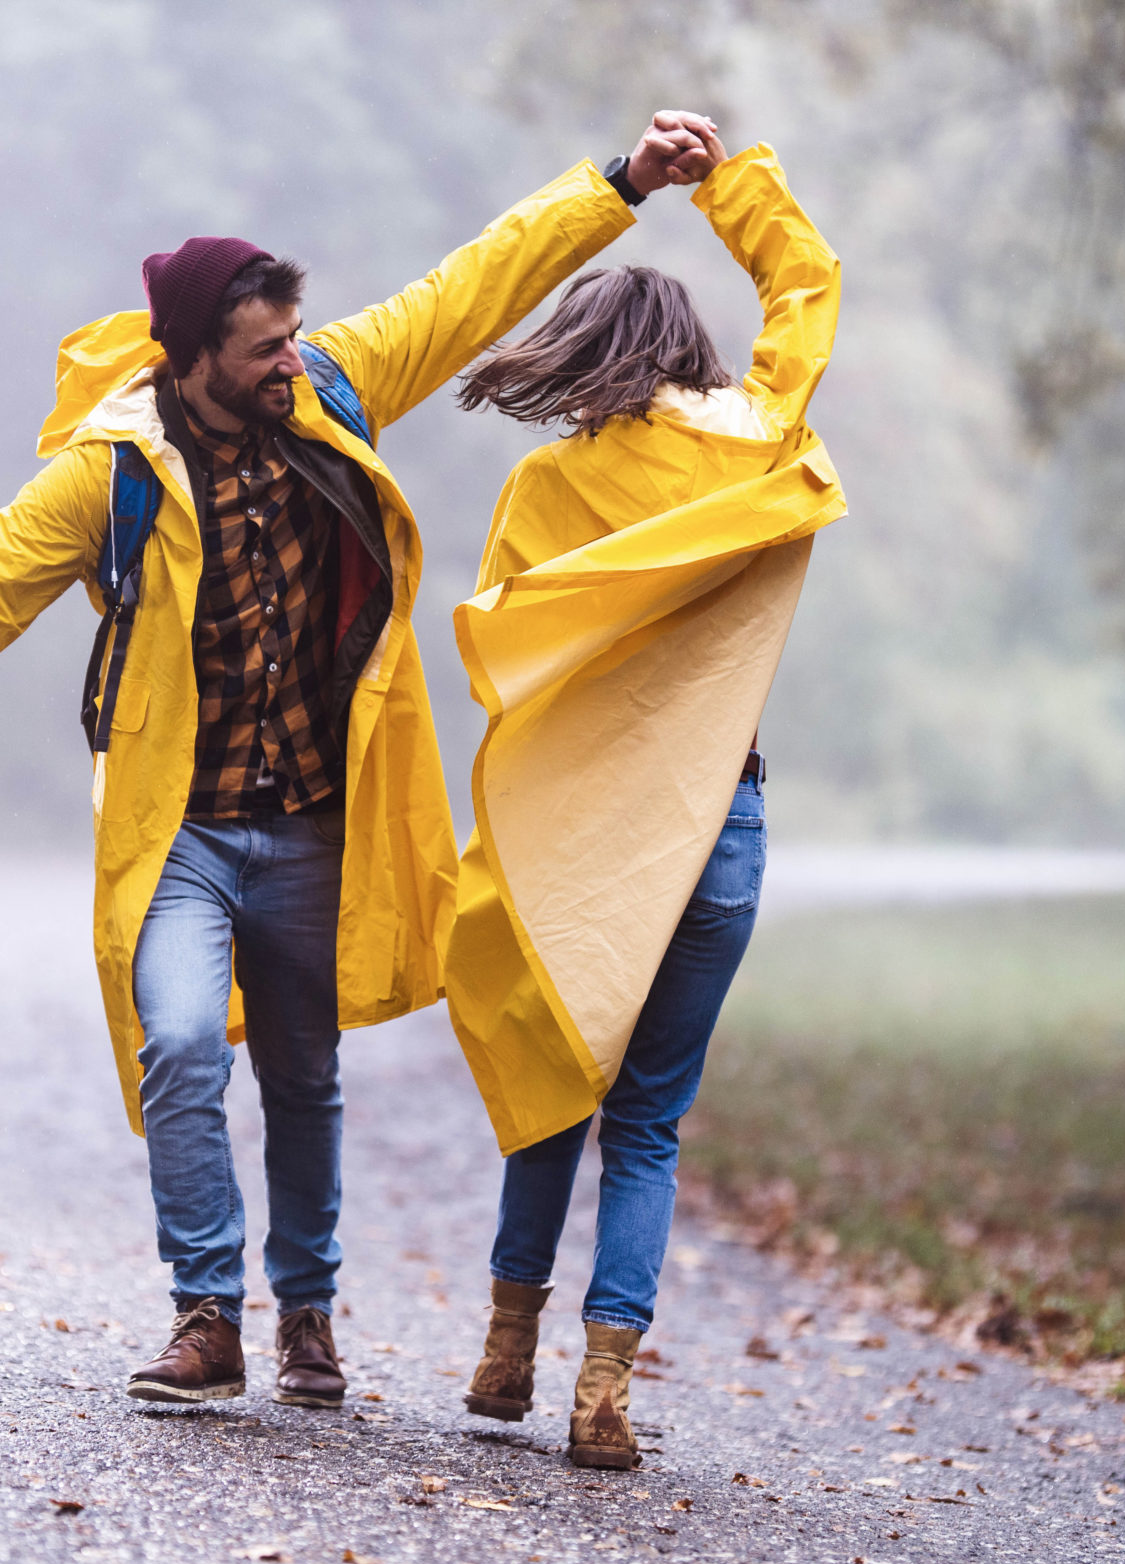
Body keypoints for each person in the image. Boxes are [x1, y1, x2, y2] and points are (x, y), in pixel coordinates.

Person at [0, 114, 723, 1409]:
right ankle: (206, 1310)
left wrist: (621, 182)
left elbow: (473, 285)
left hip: (313, 823)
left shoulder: (334, 388)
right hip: (181, 826)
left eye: (294, 334)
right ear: (191, 363)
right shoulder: (110, 472)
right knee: (178, 1045)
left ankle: (308, 1316)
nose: (291, 358)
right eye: (263, 348)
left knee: (302, 1072)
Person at [442, 131, 845, 1468]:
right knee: (651, 1125)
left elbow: (516, 679)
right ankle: (601, 1393)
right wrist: (728, 181)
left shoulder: (541, 488)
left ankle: (505, 1349)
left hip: (586, 847)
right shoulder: (754, 452)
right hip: (716, 833)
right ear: (689, 357)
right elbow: (810, 290)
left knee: (557, 1083)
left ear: (580, 352)